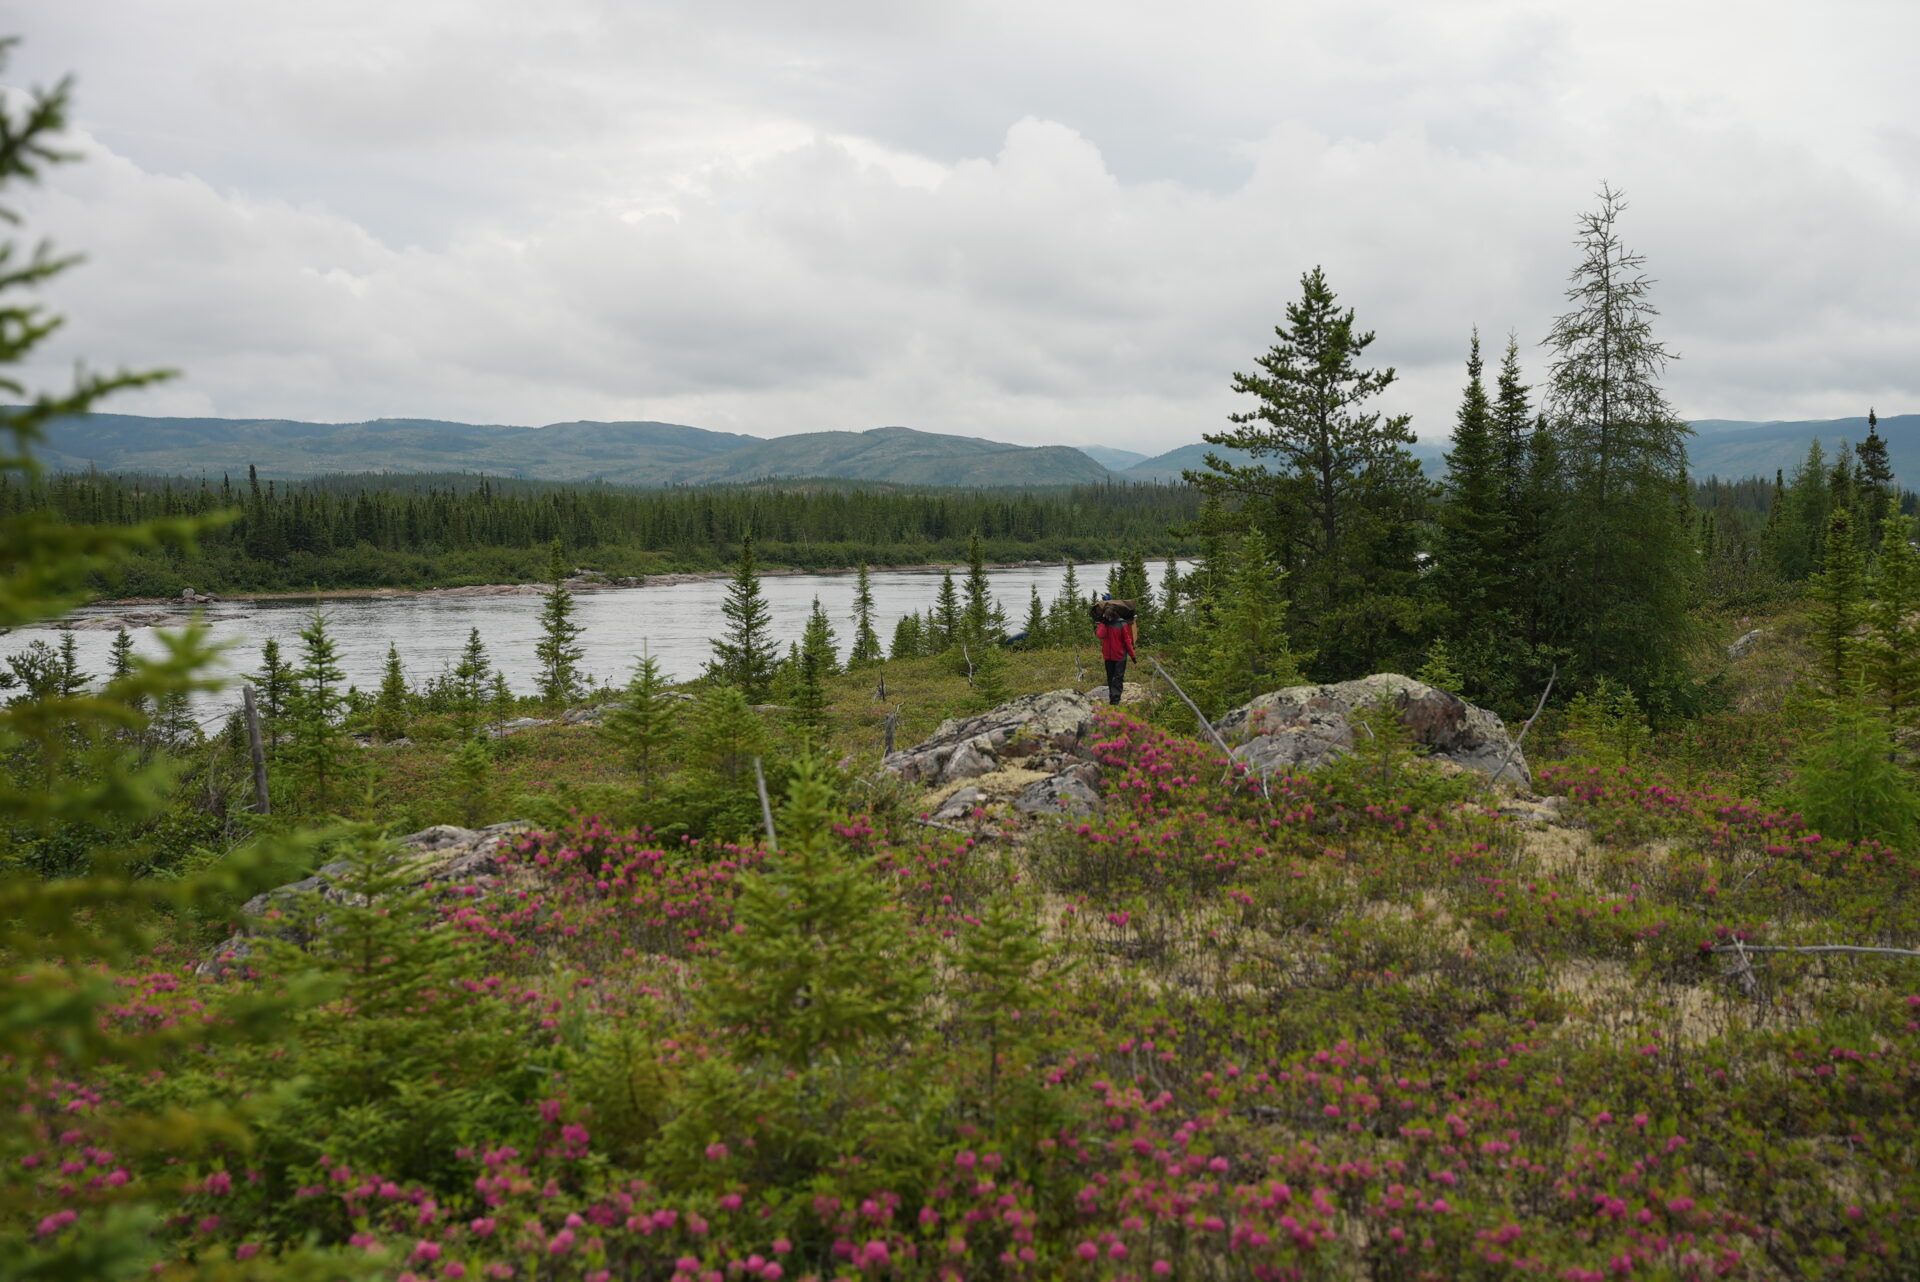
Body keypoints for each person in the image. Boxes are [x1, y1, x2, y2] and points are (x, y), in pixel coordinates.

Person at [1094, 593, 1137, 705]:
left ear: (1112, 615)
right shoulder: (1105, 624)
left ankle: (1115, 700)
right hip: (1108, 656)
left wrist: (1133, 656)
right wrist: (1103, 623)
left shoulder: (1122, 624)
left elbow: (1127, 641)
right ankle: (1112, 698)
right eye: (1105, 616)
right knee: (1110, 678)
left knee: (1117, 678)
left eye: (1107, 616)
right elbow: (1099, 635)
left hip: (1120, 656)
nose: (1106, 618)